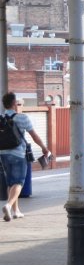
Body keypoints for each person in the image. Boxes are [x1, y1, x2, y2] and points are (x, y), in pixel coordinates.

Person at [0, 92, 51, 221]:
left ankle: (16, 211)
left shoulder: (1, 118)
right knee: (18, 182)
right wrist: (44, 148)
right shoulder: (22, 118)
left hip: (3, 154)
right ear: (14, 103)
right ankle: (8, 205)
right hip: (18, 154)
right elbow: (34, 136)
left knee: (10, 182)